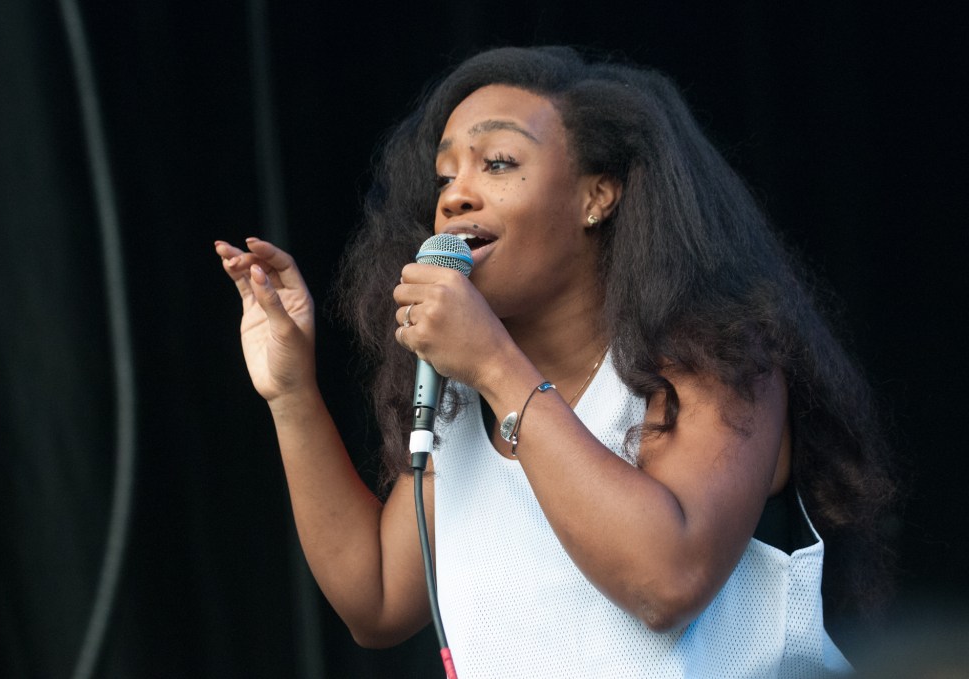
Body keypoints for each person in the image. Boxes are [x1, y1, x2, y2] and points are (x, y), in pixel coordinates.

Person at [214, 46, 895, 678]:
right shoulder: (462, 399)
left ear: (598, 195)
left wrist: (494, 364)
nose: (455, 195)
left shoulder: (717, 362)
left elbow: (667, 580)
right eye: (446, 175)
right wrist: (292, 390)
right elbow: (379, 600)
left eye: (499, 163)